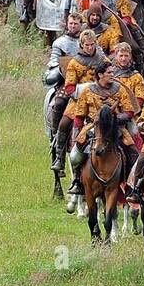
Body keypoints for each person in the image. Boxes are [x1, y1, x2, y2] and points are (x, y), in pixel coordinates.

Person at [68, 62, 138, 196]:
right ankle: (78, 181)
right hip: (93, 126)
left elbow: (129, 112)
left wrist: (115, 118)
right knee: (75, 155)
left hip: (116, 126)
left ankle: (130, 186)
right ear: (100, 75)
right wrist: (76, 134)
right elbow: (79, 115)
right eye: (109, 72)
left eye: (113, 72)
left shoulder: (120, 89)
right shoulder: (87, 91)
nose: (113, 75)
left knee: (133, 153)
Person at [51, 28, 109, 178]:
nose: (90, 48)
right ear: (81, 45)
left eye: (92, 45)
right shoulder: (74, 63)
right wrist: (86, 89)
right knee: (64, 123)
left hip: (101, 100)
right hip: (79, 101)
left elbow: (112, 77)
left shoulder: (103, 60)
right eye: (87, 45)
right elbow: (69, 86)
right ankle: (59, 158)